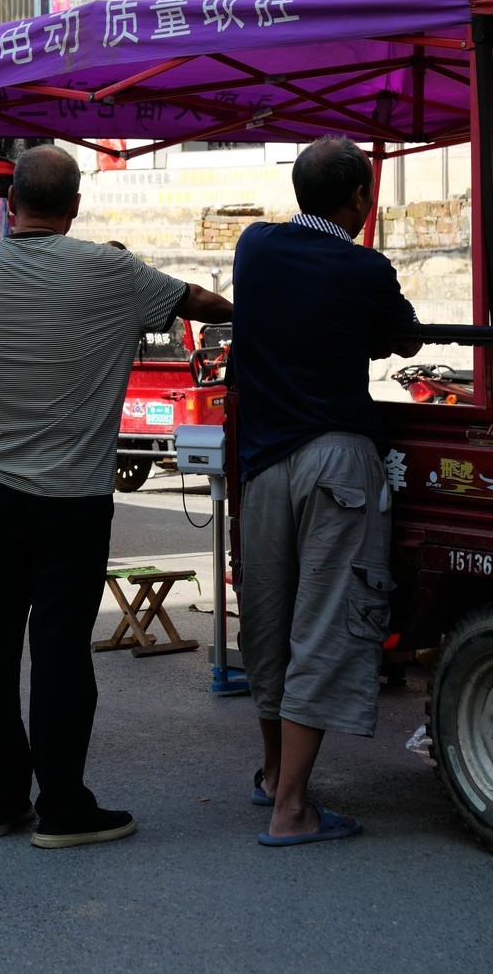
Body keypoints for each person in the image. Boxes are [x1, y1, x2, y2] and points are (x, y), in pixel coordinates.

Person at [0, 144, 233, 848]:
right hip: (74, 499)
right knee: (62, 650)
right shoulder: (111, 270)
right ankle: (64, 808)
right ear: (74, 207)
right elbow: (199, 303)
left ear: (11, 203)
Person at [231, 135, 422, 847]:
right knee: (324, 627)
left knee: (269, 623)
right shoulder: (365, 268)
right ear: (360, 199)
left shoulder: (254, 247)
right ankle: (291, 810)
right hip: (337, 460)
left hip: (263, 465)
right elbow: (404, 339)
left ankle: (272, 775)